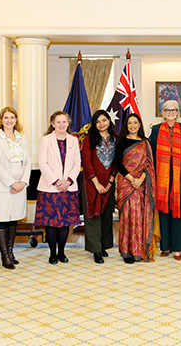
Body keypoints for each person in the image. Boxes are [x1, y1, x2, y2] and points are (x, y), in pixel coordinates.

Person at [0, 106, 32, 269]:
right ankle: (4, 255)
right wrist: (12, 183)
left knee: (14, 218)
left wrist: (22, 182)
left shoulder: (22, 138)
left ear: (16, 120)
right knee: (1, 219)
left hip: (20, 184)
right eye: (6, 117)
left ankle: (11, 252)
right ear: (1, 120)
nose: (9, 121)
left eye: (12, 117)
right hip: (1, 185)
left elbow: (27, 162)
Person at [36, 111, 81, 264]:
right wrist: (56, 182)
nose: (61, 125)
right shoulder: (46, 140)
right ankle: (52, 254)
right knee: (51, 223)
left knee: (65, 223)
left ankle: (61, 253)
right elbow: (42, 163)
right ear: (52, 124)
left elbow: (77, 164)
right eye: (58, 122)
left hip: (68, 188)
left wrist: (68, 181)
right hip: (50, 189)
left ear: (68, 123)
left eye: (64, 122)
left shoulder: (74, 141)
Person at [149, 100, 181, 261]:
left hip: (180, 176)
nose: (171, 112)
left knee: (179, 211)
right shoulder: (156, 129)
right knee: (163, 210)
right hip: (161, 176)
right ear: (163, 113)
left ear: (178, 112)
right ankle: (165, 246)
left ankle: (178, 248)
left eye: (174, 110)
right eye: (167, 110)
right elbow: (151, 152)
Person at [114, 113, 159, 263]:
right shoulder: (121, 141)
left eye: (135, 123)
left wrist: (140, 179)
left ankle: (138, 250)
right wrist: (131, 179)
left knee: (139, 217)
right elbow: (118, 164)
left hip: (141, 184)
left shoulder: (145, 143)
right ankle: (126, 252)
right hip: (126, 183)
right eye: (129, 123)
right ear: (126, 126)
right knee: (127, 217)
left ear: (140, 125)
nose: (132, 126)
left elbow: (149, 166)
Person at [81, 110, 116, 264]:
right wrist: (96, 183)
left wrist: (109, 182)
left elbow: (117, 162)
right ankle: (95, 250)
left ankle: (104, 246)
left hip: (109, 184)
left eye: (104, 120)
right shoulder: (89, 139)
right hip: (91, 183)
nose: (102, 124)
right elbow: (87, 163)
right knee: (93, 215)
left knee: (107, 215)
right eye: (98, 121)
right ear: (94, 124)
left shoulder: (115, 139)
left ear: (109, 121)